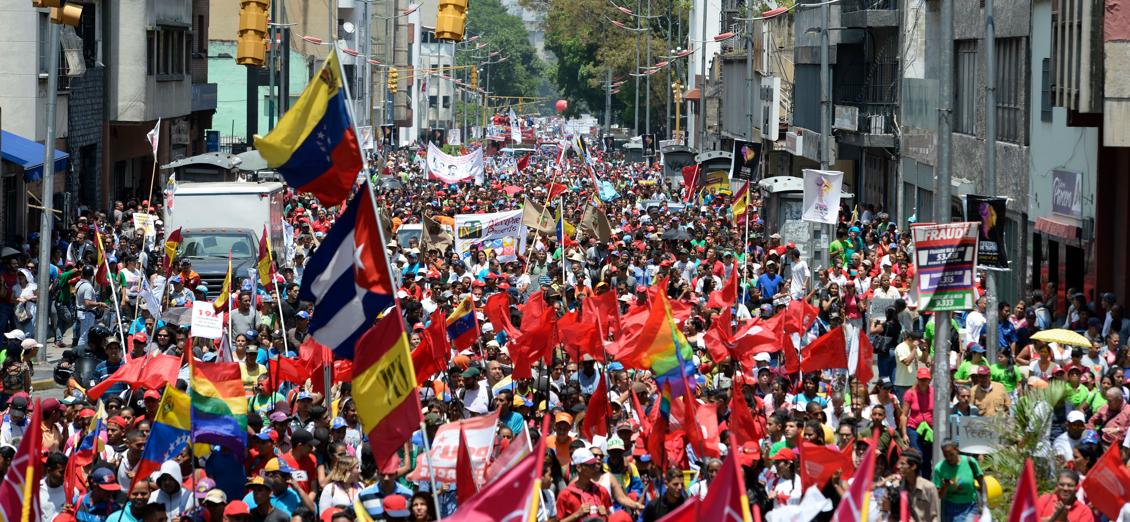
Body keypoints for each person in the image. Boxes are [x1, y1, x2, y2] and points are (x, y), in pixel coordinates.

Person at [932, 440, 986, 522]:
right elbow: (939, 496)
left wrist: (984, 502)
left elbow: (982, 483)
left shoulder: (970, 461)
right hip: (950, 507)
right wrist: (945, 486)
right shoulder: (939, 468)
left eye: (951, 454)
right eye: (945, 455)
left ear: (957, 450)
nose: (949, 458)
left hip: (971, 506)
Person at [555, 447, 612, 522]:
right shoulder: (565, 495)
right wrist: (577, 514)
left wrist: (606, 515)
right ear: (579, 467)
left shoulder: (602, 491)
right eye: (590, 465)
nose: (594, 467)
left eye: (594, 464)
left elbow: (612, 517)